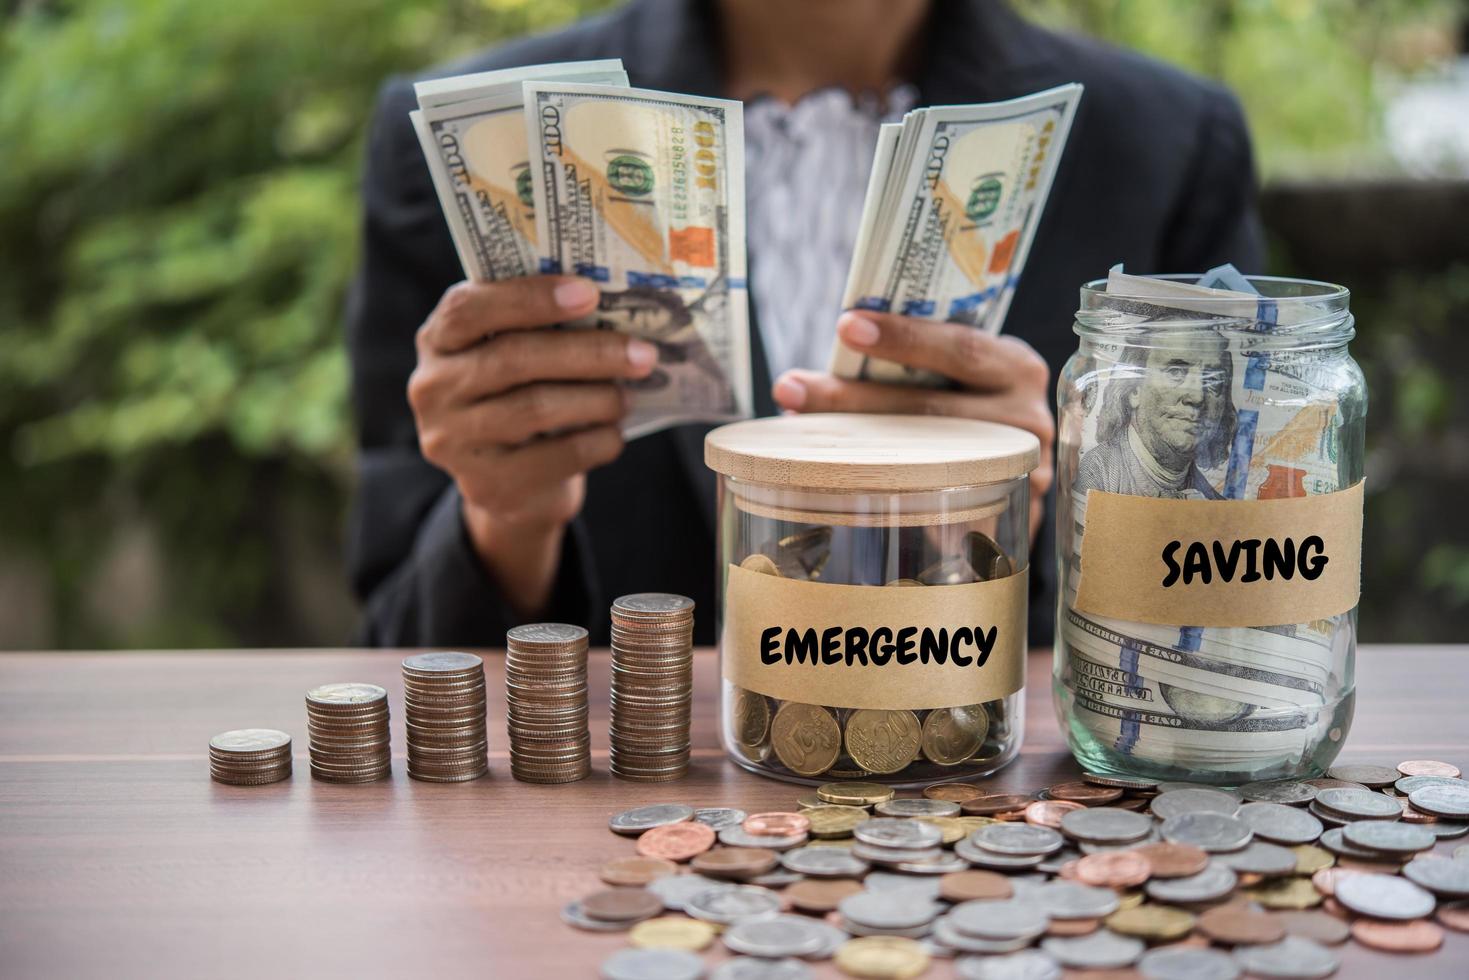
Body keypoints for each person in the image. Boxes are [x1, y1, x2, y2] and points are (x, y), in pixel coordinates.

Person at [345, 0, 1264, 646]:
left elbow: (1232, 607)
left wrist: (1062, 505)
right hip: (604, 825)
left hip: (996, 812)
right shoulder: (468, 135)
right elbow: (392, 638)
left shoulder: (1168, 145)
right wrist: (503, 520)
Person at [1075, 337, 1236, 499]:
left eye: (1213, 380)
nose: (1198, 396)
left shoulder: (1215, 503)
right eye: (1175, 372)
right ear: (1134, 390)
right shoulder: (1095, 474)